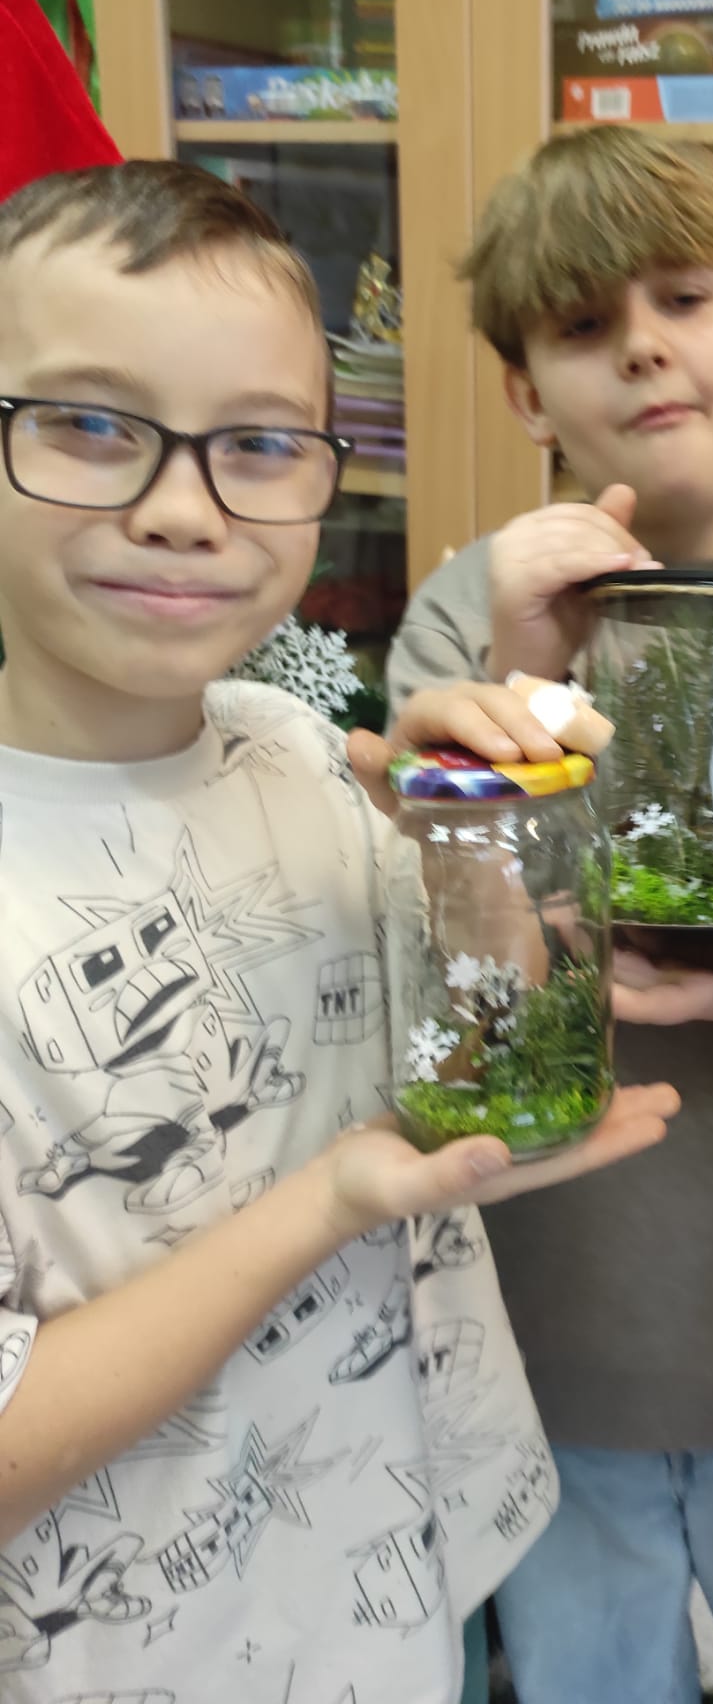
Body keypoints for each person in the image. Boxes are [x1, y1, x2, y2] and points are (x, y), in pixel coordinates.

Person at [0, 159, 678, 1704]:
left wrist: (471, 817)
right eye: (90, 425)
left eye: (256, 444)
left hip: (395, 1587)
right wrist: (330, 1202)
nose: (184, 512)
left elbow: (487, 1026)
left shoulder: (296, 751)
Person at [388, 124, 713, 1704]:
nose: (641, 347)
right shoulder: (465, 614)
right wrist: (526, 676)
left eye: (684, 299)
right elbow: (455, 969)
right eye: (581, 324)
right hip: (552, 1336)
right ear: (524, 393)